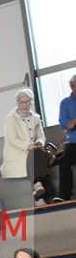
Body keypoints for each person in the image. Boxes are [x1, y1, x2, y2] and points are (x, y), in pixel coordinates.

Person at [1, 89, 57, 204]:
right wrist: (28, 146)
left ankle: (39, 193)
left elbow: (41, 136)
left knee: (38, 154)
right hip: (19, 153)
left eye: (28, 102)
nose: (25, 105)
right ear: (18, 103)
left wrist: (39, 142)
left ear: (31, 102)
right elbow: (12, 139)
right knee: (38, 157)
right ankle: (47, 193)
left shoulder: (36, 117)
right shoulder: (11, 118)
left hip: (35, 151)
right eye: (22, 102)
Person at [58, 73, 76, 201]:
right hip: (73, 144)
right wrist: (73, 122)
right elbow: (65, 124)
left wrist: (73, 122)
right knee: (63, 162)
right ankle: (64, 197)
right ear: (72, 87)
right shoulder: (65, 103)